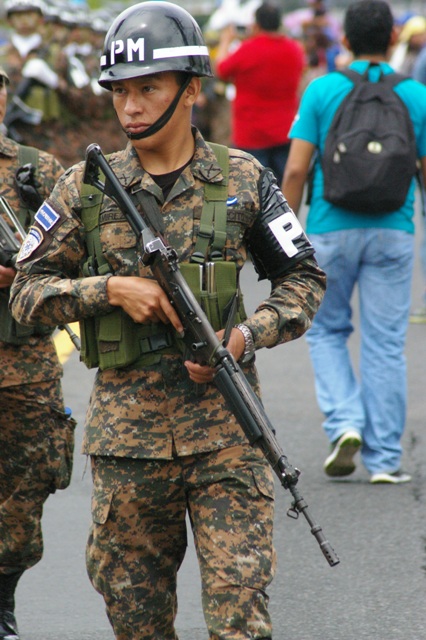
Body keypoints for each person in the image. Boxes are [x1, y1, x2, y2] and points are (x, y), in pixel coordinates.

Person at [9, 2, 326, 639]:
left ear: (191, 89)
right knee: (139, 624)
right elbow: (27, 292)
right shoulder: (84, 188)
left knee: (241, 621)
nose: (130, 107)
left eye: (148, 88)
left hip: (228, 438)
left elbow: (303, 278)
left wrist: (247, 335)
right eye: (120, 91)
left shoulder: (243, 178)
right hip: (128, 449)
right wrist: (109, 290)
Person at [282, 0, 426, 484]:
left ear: (344, 39)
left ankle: (345, 422)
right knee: (385, 344)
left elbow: (296, 170)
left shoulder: (322, 90)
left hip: (329, 228)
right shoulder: (417, 96)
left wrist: (285, 237)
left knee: (325, 331)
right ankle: (384, 460)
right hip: (394, 230)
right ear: (393, 39)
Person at [0, 65, 75, 640]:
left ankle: (2, 596)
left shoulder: (36, 168)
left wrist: (28, 269)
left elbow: (79, 253)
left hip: (24, 362)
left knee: (26, 492)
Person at [215, 1, 306, 183]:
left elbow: (221, 70)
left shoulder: (248, 49)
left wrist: (226, 40)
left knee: (253, 190)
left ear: (256, 24)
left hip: (251, 134)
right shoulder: (294, 49)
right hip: (285, 130)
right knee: (282, 189)